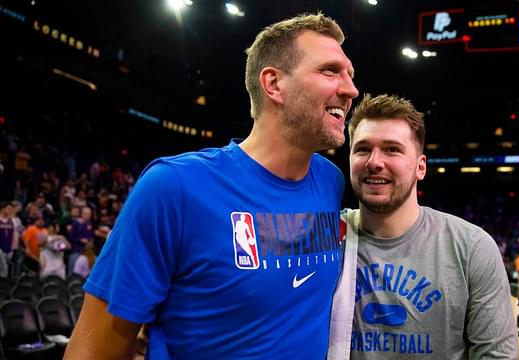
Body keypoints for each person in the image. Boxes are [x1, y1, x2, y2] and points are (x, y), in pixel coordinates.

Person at [65, 12, 358, 359]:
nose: (351, 90)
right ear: (274, 84)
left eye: (350, 76)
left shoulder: (330, 180)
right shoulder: (173, 188)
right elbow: (94, 350)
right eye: (330, 71)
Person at [329, 94, 519, 359]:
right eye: (362, 149)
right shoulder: (324, 238)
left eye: (392, 149)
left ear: (420, 167)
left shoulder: (471, 248)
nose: (374, 162)